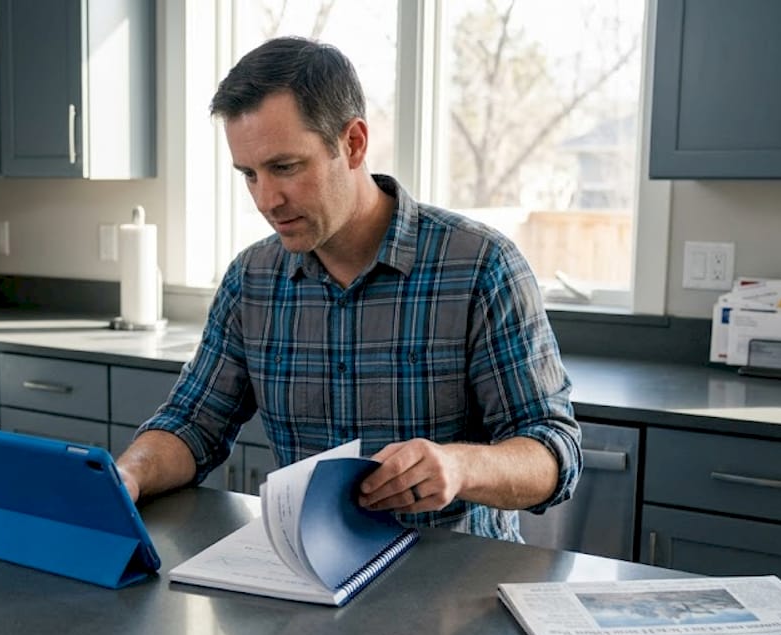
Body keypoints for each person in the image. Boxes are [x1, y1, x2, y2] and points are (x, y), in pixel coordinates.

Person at [115, 37, 580, 542]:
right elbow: (192, 424)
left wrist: (459, 466)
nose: (267, 199)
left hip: (453, 588)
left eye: (285, 167)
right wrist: (130, 474)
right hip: (310, 580)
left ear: (353, 143)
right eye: (249, 174)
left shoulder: (481, 266)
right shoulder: (251, 281)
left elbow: (554, 452)